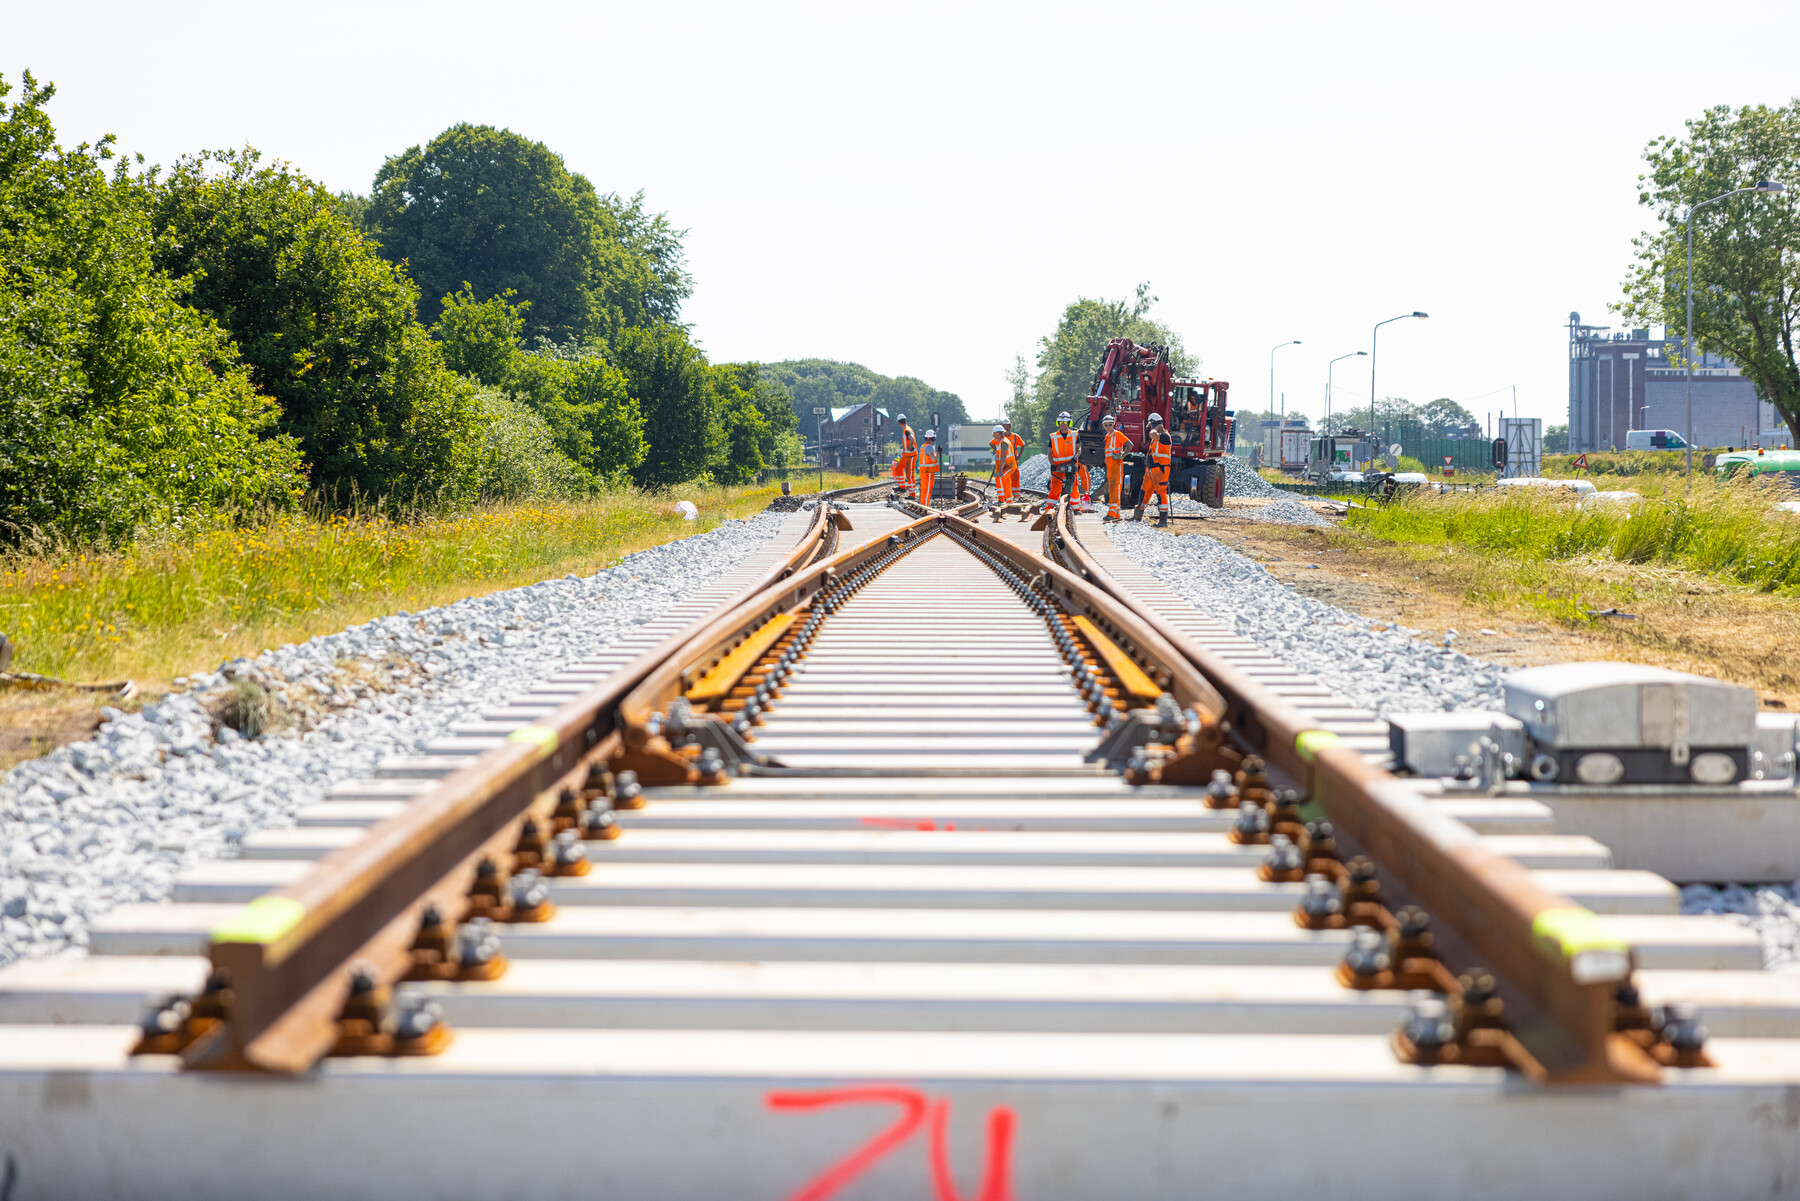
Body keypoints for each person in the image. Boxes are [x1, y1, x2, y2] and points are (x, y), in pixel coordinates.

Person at [1136, 411, 1171, 525]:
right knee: (1144, 491)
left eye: (1152, 425)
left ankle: (1163, 521)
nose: (1151, 427)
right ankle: (1137, 516)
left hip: (1161, 469)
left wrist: (1153, 430)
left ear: (1156, 424)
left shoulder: (1164, 436)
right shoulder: (1157, 437)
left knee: (1161, 493)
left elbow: (1153, 434)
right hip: (1151, 470)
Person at [1044, 411, 1079, 512]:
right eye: (1061, 423)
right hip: (1058, 466)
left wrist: (1075, 458)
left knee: (1073, 485)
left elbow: (1079, 449)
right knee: (1055, 486)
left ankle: (1076, 508)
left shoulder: (1075, 435)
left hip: (1071, 464)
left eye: (1065, 423)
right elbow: (1050, 453)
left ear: (1069, 423)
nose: (1063, 425)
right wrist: (1052, 465)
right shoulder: (1053, 436)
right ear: (1058, 423)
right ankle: (1049, 507)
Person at [1101, 413, 1130, 521]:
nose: (1108, 427)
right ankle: (1117, 514)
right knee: (1113, 489)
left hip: (1117, 466)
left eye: (1110, 424)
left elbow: (1129, 444)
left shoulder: (1117, 434)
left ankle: (1111, 513)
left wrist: (1122, 455)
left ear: (1113, 424)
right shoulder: (1107, 437)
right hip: (1110, 467)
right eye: (1106, 425)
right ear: (1103, 426)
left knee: (1114, 489)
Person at [891, 414, 918, 498]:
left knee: (909, 475)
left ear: (899, 423)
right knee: (898, 468)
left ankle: (912, 494)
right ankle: (902, 487)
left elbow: (912, 439)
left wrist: (910, 446)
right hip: (906, 456)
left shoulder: (907, 430)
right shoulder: (907, 429)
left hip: (910, 456)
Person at [989, 424, 1015, 503]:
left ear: (998, 434)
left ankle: (1001, 500)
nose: (993, 435)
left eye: (994, 434)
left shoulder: (1004, 443)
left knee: (999, 478)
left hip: (1009, 466)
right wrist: (996, 448)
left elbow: (1003, 457)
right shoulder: (1001, 441)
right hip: (1006, 466)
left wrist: (1000, 470)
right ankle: (1009, 501)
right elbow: (991, 443)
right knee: (1006, 482)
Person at [918, 428, 941, 503]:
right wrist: (938, 453)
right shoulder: (930, 447)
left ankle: (923, 505)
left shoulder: (923, 446)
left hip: (923, 472)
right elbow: (933, 458)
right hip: (929, 473)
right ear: (932, 438)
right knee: (927, 491)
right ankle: (925, 507)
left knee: (923, 490)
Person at [1002, 420, 1024, 497]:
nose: (1005, 427)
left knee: (1015, 477)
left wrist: (1019, 456)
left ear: (1010, 426)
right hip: (1004, 461)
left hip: (1014, 461)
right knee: (1005, 477)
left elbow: (1022, 445)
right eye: (1004, 425)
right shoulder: (1001, 437)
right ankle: (1006, 494)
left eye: (1007, 425)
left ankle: (1016, 494)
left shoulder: (1015, 436)